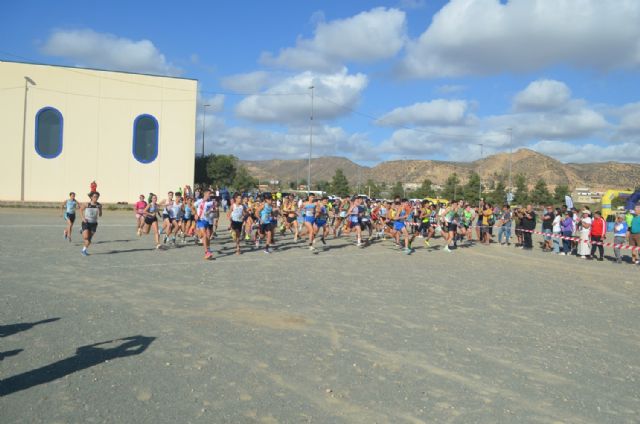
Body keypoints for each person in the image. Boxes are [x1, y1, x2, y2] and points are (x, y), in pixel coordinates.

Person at [80, 191, 102, 256]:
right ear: (91, 197)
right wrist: (83, 218)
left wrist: (100, 209)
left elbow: (100, 215)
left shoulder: (99, 205)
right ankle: (82, 229)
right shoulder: (87, 204)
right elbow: (80, 210)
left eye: (97, 197)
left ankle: (83, 250)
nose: (96, 198)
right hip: (86, 222)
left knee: (89, 240)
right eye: (94, 197)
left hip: (94, 224)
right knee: (86, 237)